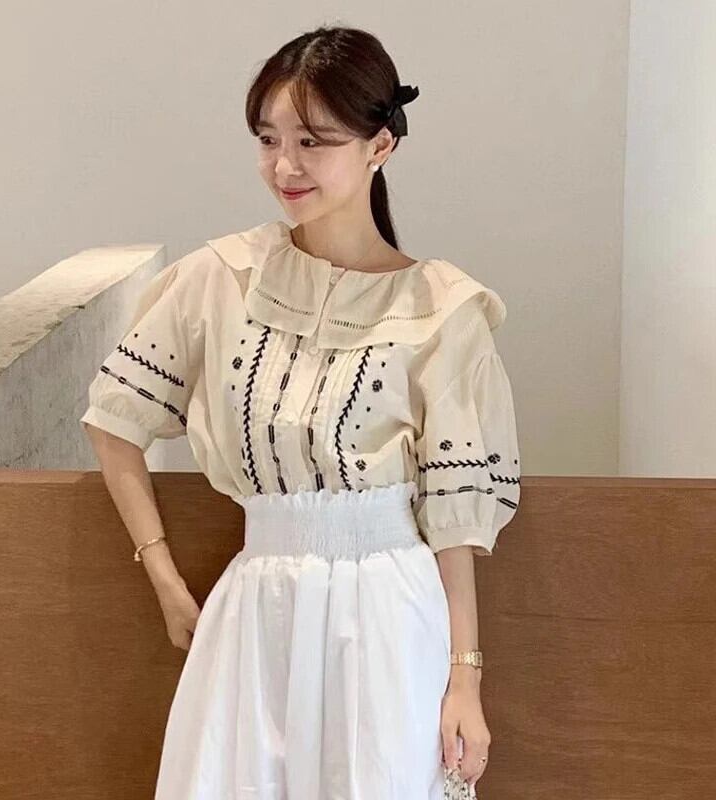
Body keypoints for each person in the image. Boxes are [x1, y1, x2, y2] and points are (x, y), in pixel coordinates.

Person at [80, 24, 520, 800]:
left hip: (387, 611)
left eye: (313, 141)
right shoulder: (223, 277)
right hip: (256, 607)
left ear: (380, 145)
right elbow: (114, 420)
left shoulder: (442, 311)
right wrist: (164, 575)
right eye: (268, 138)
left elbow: (453, 518)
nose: (285, 165)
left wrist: (465, 679)